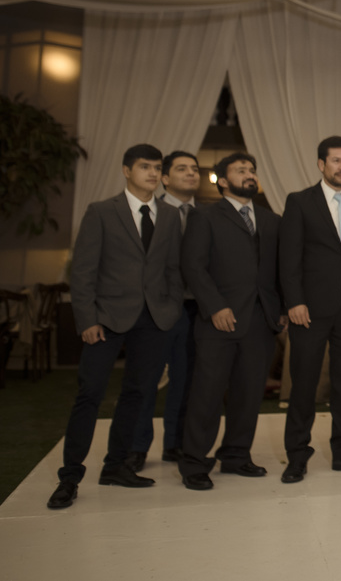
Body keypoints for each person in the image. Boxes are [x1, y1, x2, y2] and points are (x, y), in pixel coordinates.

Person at [48, 144, 183, 510]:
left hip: (154, 320)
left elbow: (172, 268)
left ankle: (115, 467)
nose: (153, 174)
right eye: (144, 167)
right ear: (127, 171)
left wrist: (168, 311)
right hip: (106, 320)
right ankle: (69, 478)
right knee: (89, 394)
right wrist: (87, 320)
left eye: (157, 168)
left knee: (138, 395)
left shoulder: (170, 217)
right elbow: (83, 271)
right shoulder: (102, 212)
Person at [177, 152, 286, 490]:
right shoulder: (205, 217)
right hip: (219, 321)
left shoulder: (271, 220)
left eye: (252, 170)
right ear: (222, 180)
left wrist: (280, 308)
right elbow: (193, 266)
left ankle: (236, 456)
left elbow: (279, 269)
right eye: (241, 170)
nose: (249, 174)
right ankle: (195, 463)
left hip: (259, 321)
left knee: (249, 393)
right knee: (207, 395)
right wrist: (216, 307)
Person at [279, 136, 341, 483]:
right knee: (304, 384)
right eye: (336, 161)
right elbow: (288, 257)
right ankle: (297, 455)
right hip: (309, 309)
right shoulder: (300, 202)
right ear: (321, 164)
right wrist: (294, 300)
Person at [129, 150, 200, 471]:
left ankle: (176, 443)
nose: (191, 173)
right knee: (146, 379)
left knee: (186, 380)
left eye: (195, 169)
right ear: (166, 179)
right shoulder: (149, 213)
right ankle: (136, 447)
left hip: (195, 309)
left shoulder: (206, 215)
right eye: (182, 169)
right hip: (153, 310)